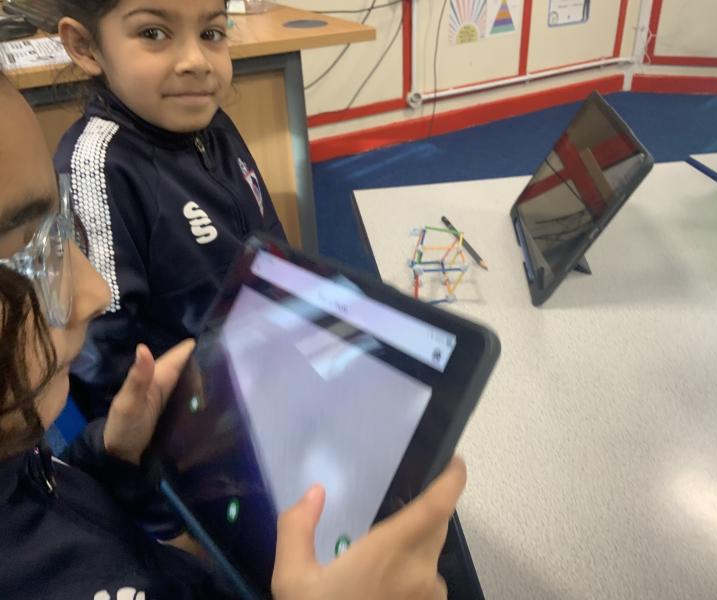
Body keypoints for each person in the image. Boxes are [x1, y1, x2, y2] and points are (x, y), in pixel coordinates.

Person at [0, 70, 466, 599]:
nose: (94, 292)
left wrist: (112, 453)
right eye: (27, 261)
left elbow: (59, 495)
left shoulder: (17, 455)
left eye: (55, 235)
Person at [54, 0, 286, 419]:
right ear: (85, 46)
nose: (196, 61)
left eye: (211, 34)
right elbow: (104, 361)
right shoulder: (95, 165)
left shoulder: (216, 126)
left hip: (264, 364)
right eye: (153, 34)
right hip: (193, 414)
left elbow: (270, 243)